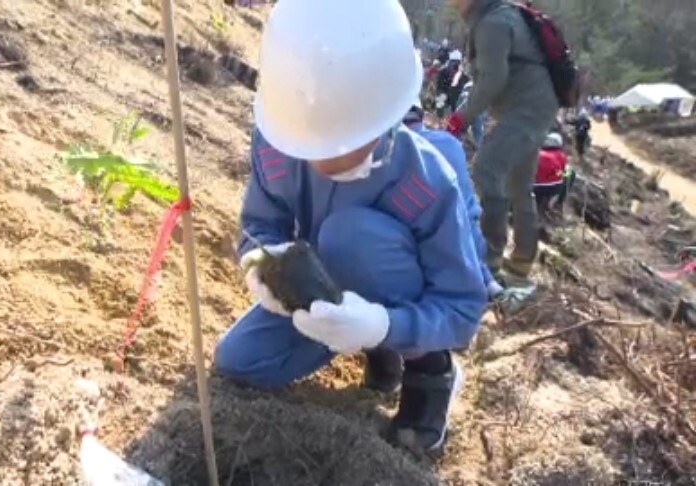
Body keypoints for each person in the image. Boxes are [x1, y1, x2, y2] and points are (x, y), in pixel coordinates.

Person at [214, 0, 487, 453]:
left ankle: (428, 368)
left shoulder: (427, 180)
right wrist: (262, 264)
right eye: (306, 140)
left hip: (384, 284)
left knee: (350, 236)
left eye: (339, 143)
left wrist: (382, 325)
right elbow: (261, 223)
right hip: (326, 288)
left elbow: (461, 309)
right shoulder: (279, 137)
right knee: (240, 361)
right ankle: (368, 341)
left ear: (385, 117)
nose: (317, 160)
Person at [445, 0, 559, 289]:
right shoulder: (493, 17)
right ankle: (521, 263)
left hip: (527, 109)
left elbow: (493, 80)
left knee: (486, 168)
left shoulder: (494, 22)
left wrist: (459, 119)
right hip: (532, 107)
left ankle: (490, 261)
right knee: (519, 187)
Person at [403, 102, 503, 299]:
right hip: (470, 245)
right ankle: (486, 278)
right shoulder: (449, 143)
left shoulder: (390, 154)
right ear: (421, 116)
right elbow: (467, 204)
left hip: (422, 261)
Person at [534, 133, 575, 218]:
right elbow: (561, 172)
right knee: (570, 173)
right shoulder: (561, 155)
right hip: (554, 187)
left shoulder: (536, 153)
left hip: (534, 187)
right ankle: (559, 202)